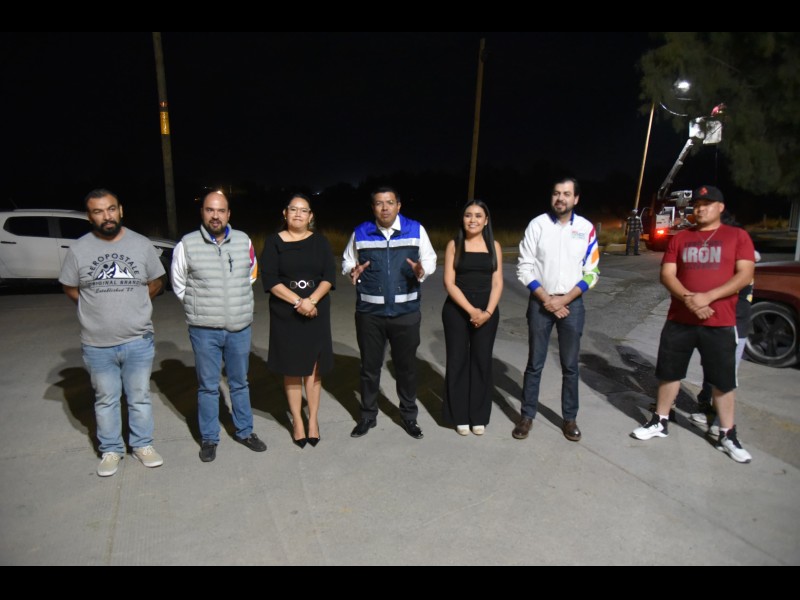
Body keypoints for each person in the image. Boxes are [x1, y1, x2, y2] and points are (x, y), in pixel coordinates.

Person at [631, 185, 756, 464]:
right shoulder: (681, 238)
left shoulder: (737, 237)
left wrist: (708, 297)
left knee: (722, 380)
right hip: (680, 320)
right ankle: (660, 421)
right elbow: (667, 274)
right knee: (669, 373)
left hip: (720, 321)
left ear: (720, 207)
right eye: (697, 204)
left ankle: (727, 434)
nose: (700, 209)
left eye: (707, 204)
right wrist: (690, 299)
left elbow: (745, 274)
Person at [59, 189, 165, 477]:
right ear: (89, 216)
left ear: (120, 210)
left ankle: (142, 445)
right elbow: (70, 287)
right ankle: (111, 450)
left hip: (138, 339)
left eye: (111, 209)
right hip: (97, 343)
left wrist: (136, 304)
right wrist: (94, 308)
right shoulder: (79, 249)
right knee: (106, 399)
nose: (106, 216)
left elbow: (156, 282)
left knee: (139, 397)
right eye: (98, 211)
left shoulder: (141, 244)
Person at [171, 190, 267, 463]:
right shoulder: (187, 244)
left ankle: (245, 431)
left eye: (221, 210)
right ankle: (209, 438)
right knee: (208, 386)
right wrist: (201, 307)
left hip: (239, 327)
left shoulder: (244, 240)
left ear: (228, 214)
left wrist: (233, 303)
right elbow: (179, 283)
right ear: (202, 212)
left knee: (240, 383)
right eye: (210, 210)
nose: (215, 216)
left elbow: (251, 275)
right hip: (204, 330)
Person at [343, 186, 437, 439]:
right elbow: (347, 260)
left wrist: (422, 270)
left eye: (390, 202)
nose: (384, 208)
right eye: (379, 203)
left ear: (399, 205)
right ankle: (367, 416)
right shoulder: (361, 232)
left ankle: (409, 417)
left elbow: (430, 258)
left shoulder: (415, 229)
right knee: (369, 368)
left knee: (406, 368)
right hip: (370, 313)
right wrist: (351, 270)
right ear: (373, 207)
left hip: (406, 312)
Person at [514, 178, 600, 442]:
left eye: (566, 193)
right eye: (556, 193)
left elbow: (592, 272)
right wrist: (547, 299)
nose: (560, 198)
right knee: (535, 364)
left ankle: (569, 419)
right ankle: (526, 416)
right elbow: (524, 267)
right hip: (540, 303)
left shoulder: (586, 229)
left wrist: (564, 300)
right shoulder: (537, 225)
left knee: (570, 366)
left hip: (572, 304)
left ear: (576, 199)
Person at [261, 194, 335, 448]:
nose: (298, 214)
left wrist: (311, 301)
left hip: (316, 310)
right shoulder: (273, 242)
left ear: (310, 216)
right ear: (285, 213)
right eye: (293, 209)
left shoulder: (320, 242)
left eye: (304, 210)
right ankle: (297, 422)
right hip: (286, 312)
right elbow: (270, 280)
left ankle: (312, 420)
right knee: (292, 368)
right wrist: (298, 302)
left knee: (313, 367)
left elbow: (328, 276)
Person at [691, 211, 761, 432]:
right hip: (714, 322)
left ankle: (721, 423)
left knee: (725, 375)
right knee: (711, 369)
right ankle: (707, 409)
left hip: (733, 325)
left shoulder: (740, 259)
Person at [442, 200, 503, 436]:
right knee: (457, 362)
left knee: (481, 362)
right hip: (457, 311)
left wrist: (487, 312)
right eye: (468, 215)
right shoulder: (454, 245)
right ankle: (459, 416)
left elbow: (497, 282)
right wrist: (471, 311)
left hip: (488, 311)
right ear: (462, 219)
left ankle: (478, 416)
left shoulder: (494, 246)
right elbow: (449, 283)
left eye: (478, 215)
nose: (473, 220)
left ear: (486, 220)